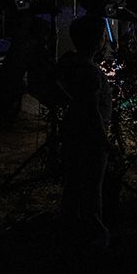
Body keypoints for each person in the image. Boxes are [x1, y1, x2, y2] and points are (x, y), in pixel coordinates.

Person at [57, 15, 112, 247]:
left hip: (73, 133)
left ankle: (70, 229)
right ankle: (94, 236)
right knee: (91, 188)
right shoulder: (89, 72)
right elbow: (91, 111)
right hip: (89, 139)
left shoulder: (71, 64)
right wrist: (104, 141)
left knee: (74, 185)